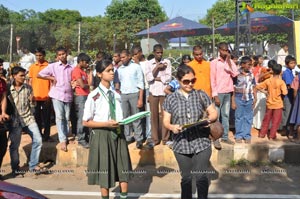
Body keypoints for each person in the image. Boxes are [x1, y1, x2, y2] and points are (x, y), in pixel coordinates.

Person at [163, 64, 218, 199]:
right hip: (181, 144)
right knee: (186, 178)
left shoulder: (201, 94)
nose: (190, 84)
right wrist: (172, 127)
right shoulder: (170, 99)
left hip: (201, 142)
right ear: (178, 80)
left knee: (200, 176)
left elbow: (213, 113)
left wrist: (208, 120)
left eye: (193, 80)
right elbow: (165, 121)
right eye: (186, 81)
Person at [83, 59, 132, 199]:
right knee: (105, 171)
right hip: (102, 135)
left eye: (112, 70)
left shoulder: (116, 94)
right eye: (108, 70)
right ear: (99, 74)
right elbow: (86, 122)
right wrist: (106, 124)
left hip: (118, 133)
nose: (112, 73)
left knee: (123, 169)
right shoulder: (93, 96)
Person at [8, 66, 43, 176]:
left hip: (28, 119)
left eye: (24, 75)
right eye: (21, 76)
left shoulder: (28, 88)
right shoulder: (8, 89)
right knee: (14, 145)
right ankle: (15, 168)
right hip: (15, 121)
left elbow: (32, 106)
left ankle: (33, 165)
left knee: (38, 140)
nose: (24, 77)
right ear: (14, 76)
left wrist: (33, 101)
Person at [38, 46, 74, 152]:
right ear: (57, 56)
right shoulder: (53, 66)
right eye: (59, 55)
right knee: (59, 117)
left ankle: (66, 136)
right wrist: (51, 78)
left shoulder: (71, 67)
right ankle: (62, 139)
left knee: (67, 117)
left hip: (68, 95)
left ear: (67, 53)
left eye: (63, 54)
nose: (61, 56)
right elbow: (39, 74)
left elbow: (73, 79)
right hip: (57, 94)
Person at [210, 42, 239, 147]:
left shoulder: (230, 61)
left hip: (228, 92)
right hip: (219, 92)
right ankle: (216, 138)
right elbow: (212, 79)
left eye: (227, 50)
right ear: (219, 50)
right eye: (223, 50)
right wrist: (215, 94)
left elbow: (235, 74)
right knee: (216, 116)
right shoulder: (214, 62)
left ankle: (225, 137)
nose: (225, 52)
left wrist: (229, 62)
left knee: (226, 115)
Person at [145, 44, 172, 146]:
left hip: (164, 92)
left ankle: (165, 138)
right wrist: (157, 67)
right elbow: (148, 78)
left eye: (161, 52)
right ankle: (155, 139)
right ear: (154, 53)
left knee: (165, 115)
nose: (160, 54)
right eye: (157, 53)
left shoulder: (167, 62)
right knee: (154, 115)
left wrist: (156, 78)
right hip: (153, 92)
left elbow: (168, 78)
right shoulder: (148, 63)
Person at [118, 49, 144, 149]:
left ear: (129, 56)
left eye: (124, 57)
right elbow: (119, 82)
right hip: (124, 95)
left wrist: (140, 98)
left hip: (134, 94)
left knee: (136, 117)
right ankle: (128, 137)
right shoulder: (120, 69)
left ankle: (139, 139)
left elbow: (141, 83)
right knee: (126, 117)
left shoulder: (136, 67)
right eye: (121, 57)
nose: (122, 59)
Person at [256, 63, 288, 140]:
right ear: (280, 72)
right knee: (276, 121)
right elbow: (285, 93)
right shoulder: (281, 82)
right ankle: (272, 136)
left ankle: (262, 134)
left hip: (269, 103)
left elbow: (258, 86)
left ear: (272, 71)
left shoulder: (268, 81)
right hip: (278, 104)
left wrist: (265, 92)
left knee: (266, 119)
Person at [28, 47, 52, 142]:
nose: (38, 57)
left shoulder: (49, 66)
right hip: (35, 96)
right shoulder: (32, 67)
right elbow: (30, 81)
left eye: (40, 55)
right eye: (37, 55)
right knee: (36, 117)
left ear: (44, 55)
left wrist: (50, 95)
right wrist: (30, 94)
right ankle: (39, 135)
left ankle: (47, 135)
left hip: (46, 96)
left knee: (47, 117)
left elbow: (52, 81)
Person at [231, 56, 256, 144]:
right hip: (239, 98)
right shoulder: (236, 75)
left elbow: (253, 86)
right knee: (239, 117)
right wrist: (233, 101)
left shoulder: (251, 74)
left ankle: (247, 135)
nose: (250, 66)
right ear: (242, 64)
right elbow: (233, 88)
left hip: (249, 98)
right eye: (248, 64)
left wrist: (255, 98)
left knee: (248, 117)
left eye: (250, 65)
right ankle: (239, 135)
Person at [71, 53, 91, 148]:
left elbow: (87, 84)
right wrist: (88, 86)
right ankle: (81, 138)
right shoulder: (76, 71)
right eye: (86, 62)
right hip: (80, 97)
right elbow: (83, 85)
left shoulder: (83, 72)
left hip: (86, 95)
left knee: (86, 116)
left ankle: (86, 137)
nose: (87, 64)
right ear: (81, 61)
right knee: (81, 118)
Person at [279, 55, 297, 136]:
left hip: (290, 95)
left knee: (290, 112)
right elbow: (289, 85)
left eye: (294, 63)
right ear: (287, 64)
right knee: (287, 112)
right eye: (291, 63)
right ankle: (284, 129)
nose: (293, 64)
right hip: (288, 96)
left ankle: (289, 129)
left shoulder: (291, 72)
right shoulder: (286, 73)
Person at [0, 58, 9, 179]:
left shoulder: (2, 82)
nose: (1, 67)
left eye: (2, 65)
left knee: (2, 146)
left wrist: (3, 112)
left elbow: (3, 97)